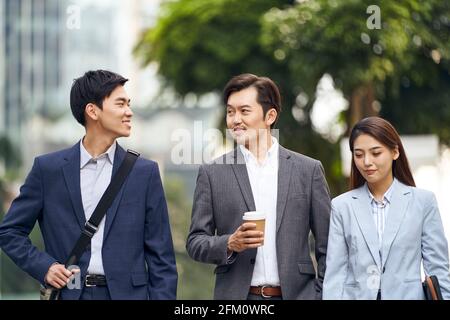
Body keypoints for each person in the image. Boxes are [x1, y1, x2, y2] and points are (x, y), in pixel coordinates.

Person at [0, 70, 177, 300]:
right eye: (120, 104)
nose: (129, 112)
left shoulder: (144, 173)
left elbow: (162, 259)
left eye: (129, 104)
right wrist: (45, 267)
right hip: (70, 295)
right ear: (92, 110)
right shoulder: (48, 170)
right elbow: (9, 232)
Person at [186, 73, 331, 300]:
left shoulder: (308, 170)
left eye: (244, 111)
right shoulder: (212, 173)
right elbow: (195, 242)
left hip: (298, 295)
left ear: (270, 116)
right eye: (230, 112)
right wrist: (229, 243)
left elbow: (328, 245)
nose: (235, 120)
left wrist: (319, 295)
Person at [323, 116, 450, 300]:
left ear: (395, 152)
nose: (366, 162)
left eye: (375, 153)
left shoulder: (423, 202)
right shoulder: (342, 206)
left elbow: (438, 270)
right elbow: (335, 275)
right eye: (359, 155)